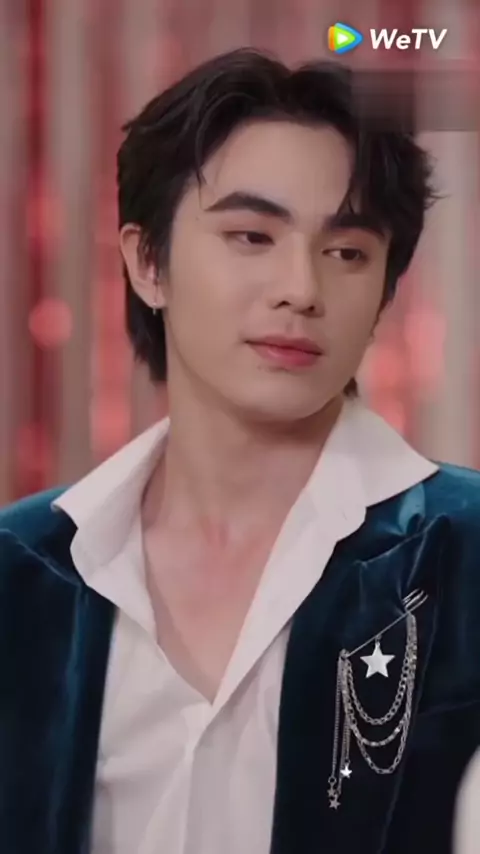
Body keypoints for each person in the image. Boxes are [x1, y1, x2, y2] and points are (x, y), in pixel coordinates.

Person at [0, 47, 479, 854]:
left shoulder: (459, 554)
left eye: (347, 252)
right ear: (147, 262)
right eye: (252, 236)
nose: (302, 288)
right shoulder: (23, 569)